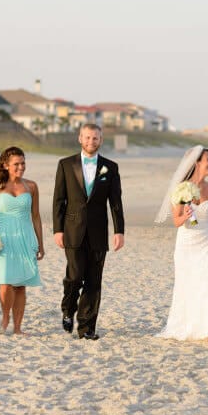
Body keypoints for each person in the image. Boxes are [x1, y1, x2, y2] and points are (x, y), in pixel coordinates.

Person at [52, 123, 125, 340]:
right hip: (72, 229)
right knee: (74, 277)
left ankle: (86, 328)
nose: (90, 141)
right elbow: (58, 199)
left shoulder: (110, 167)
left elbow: (116, 202)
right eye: (87, 137)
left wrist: (119, 231)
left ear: (101, 140)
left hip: (98, 232)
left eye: (95, 138)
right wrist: (57, 229)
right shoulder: (65, 164)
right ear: (79, 138)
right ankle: (67, 309)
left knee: (94, 281)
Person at [155, 146, 208, 341]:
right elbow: (177, 221)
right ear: (196, 163)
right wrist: (186, 215)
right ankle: (192, 326)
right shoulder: (180, 188)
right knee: (189, 283)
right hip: (187, 244)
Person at [0, 147, 44, 336]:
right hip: (3, 239)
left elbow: (35, 216)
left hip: (25, 237)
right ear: (5, 165)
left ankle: (17, 327)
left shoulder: (31, 186)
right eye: (16, 164)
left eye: (23, 163)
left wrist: (41, 244)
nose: (21, 167)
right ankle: (5, 316)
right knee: (5, 281)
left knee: (20, 284)